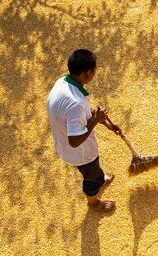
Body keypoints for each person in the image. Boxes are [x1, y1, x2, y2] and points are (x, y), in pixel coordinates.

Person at [47, 49, 122, 212]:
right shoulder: (75, 104)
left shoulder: (63, 82)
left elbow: (78, 115)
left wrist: (106, 123)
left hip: (62, 143)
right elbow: (74, 141)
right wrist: (95, 120)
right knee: (91, 177)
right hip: (79, 153)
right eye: (94, 71)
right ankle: (93, 202)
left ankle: (99, 178)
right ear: (87, 74)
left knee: (95, 171)